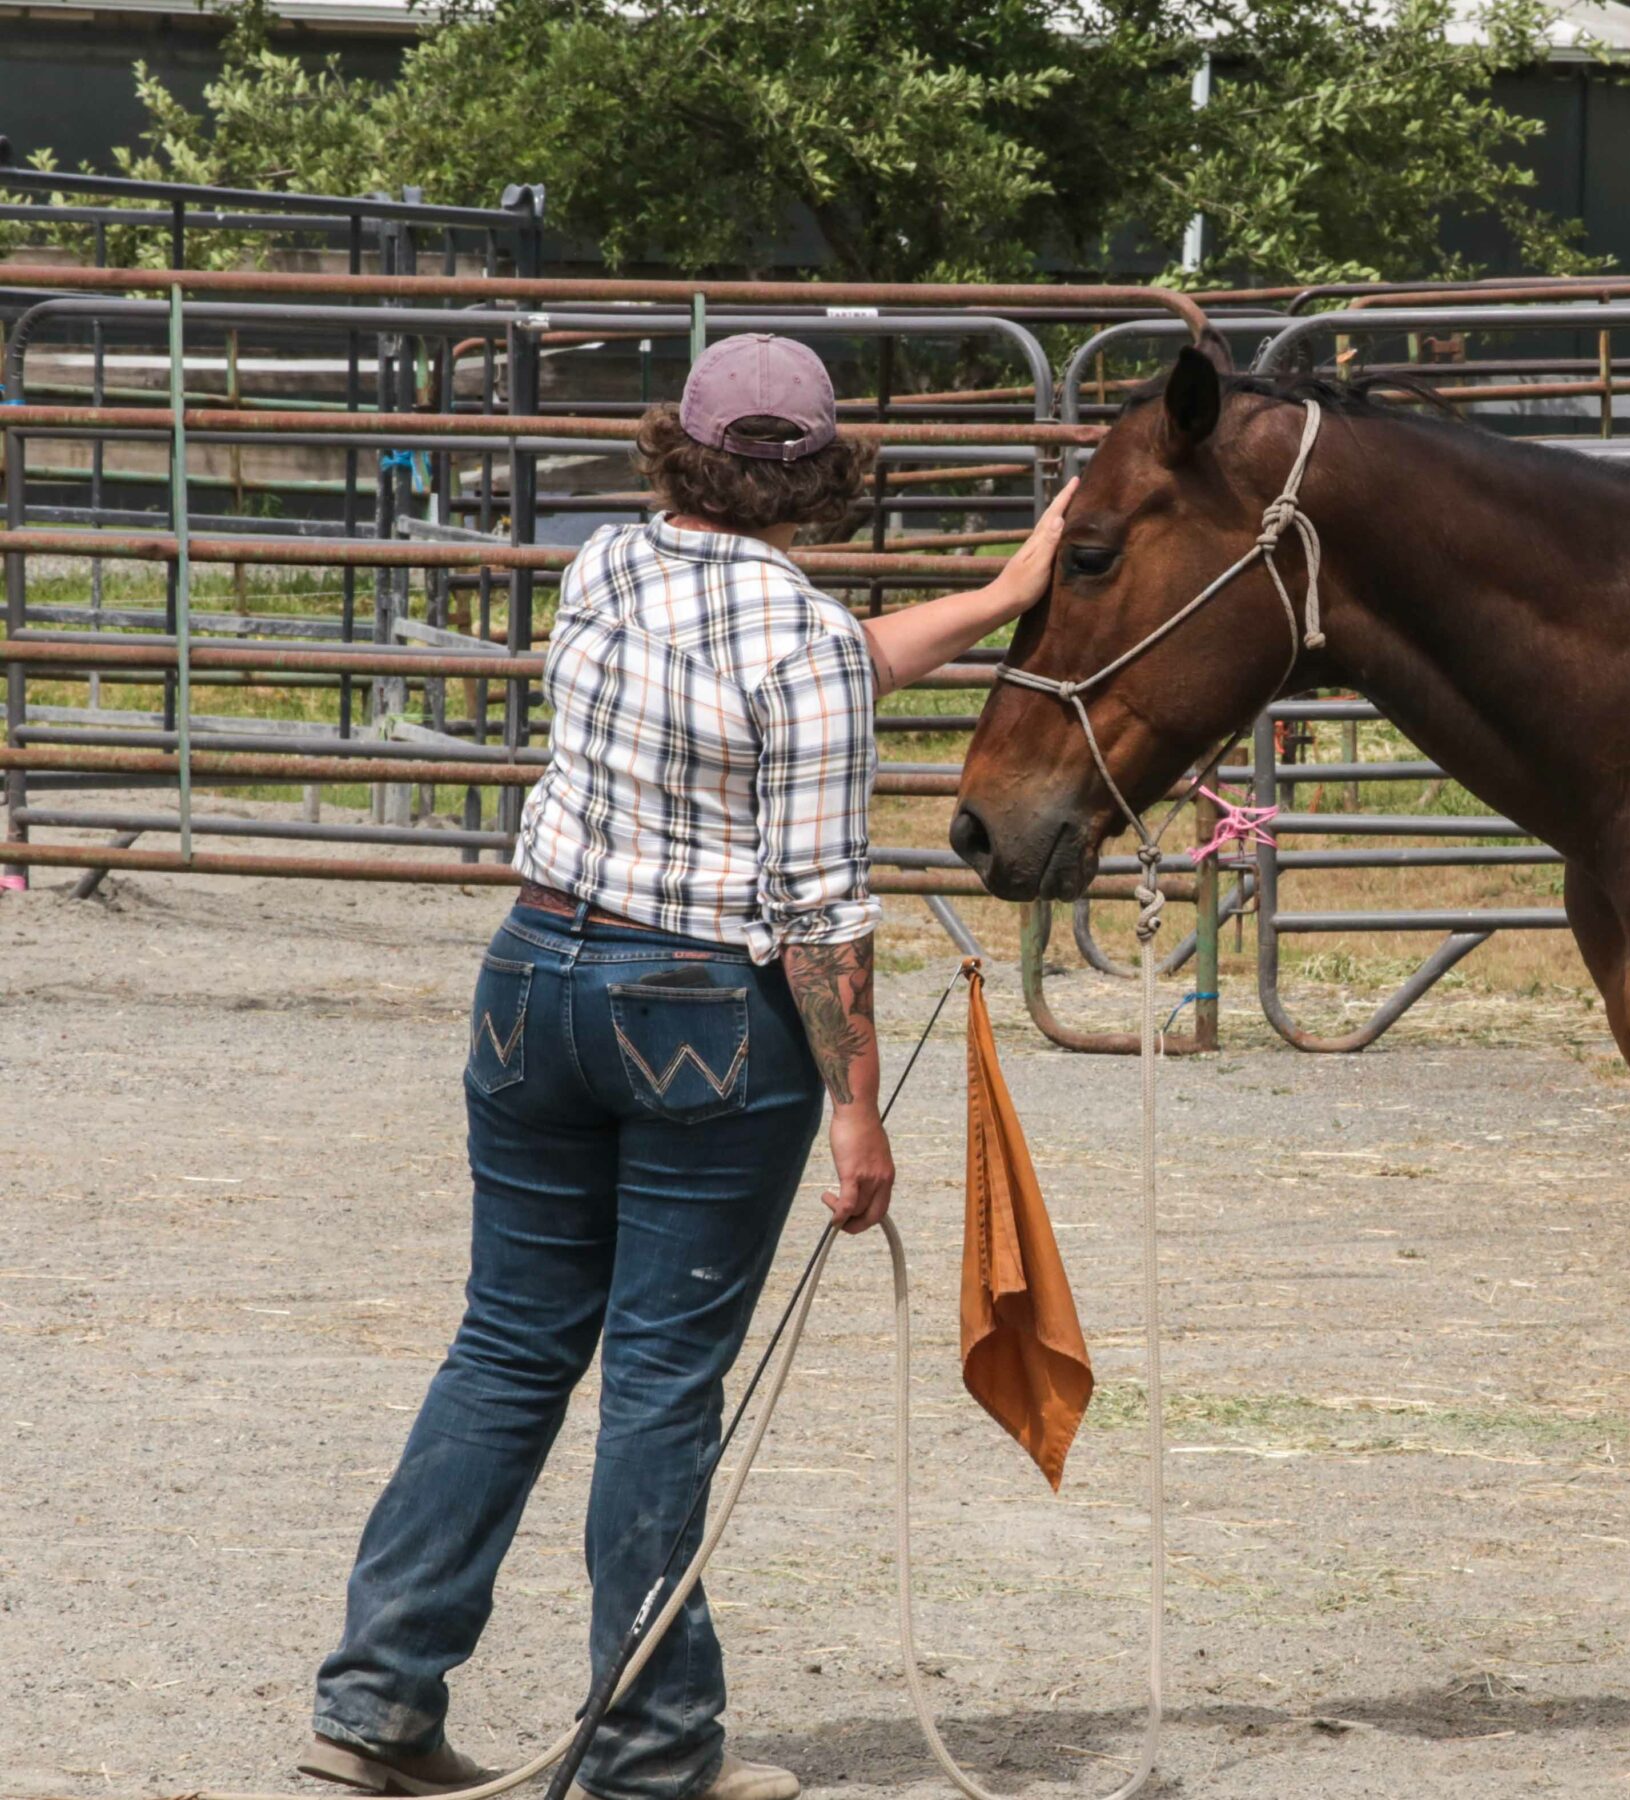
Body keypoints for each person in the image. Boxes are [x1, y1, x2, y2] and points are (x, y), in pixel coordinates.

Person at [300, 335, 1071, 1800]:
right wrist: (858, 1110)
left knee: (509, 1343)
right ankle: (648, 1751)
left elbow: (827, 658)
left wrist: (996, 599)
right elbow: (818, 916)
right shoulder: (804, 642)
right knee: (661, 1377)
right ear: (821, 471)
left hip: (536, 978)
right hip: (704, 1016)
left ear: (683, 452)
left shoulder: (604, 568)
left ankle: (377, 1701)